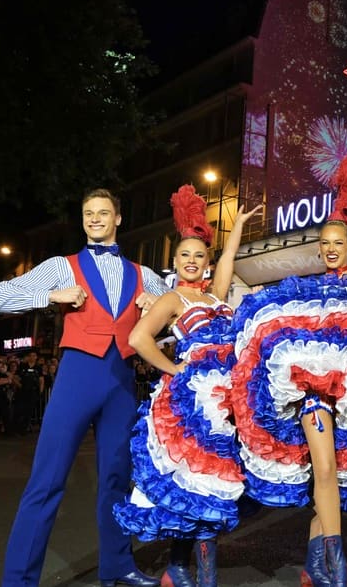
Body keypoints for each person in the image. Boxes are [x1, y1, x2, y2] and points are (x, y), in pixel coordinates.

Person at [232, 153, 347, 587]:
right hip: (312, 395)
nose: (331, 249)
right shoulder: (304, 292)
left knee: (336, 483)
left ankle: (315, 565)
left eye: (338, 243)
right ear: (319, 246)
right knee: (325, 471)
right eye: (324, 243)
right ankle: (337, 565)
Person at [0, 188, 168, 587]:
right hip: (77, 377)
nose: (95, 219)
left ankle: (117, 567)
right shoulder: (62, 266)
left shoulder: (145, 275)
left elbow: (177, 322)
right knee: (46, 480)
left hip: (122, 380)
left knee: (117, 480)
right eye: (89, 213)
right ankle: (18, 581)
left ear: (118, 218)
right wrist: (50, 295)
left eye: (103, 213)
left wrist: (158, 311)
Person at [115, 185, 261, 587]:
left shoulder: (215, 296)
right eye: (185, 255)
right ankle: (196, 576)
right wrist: (175, 369)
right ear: (175, 261)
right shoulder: (172, 298)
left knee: (203, 485)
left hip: (225, 399)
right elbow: (138, 339)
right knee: (199, 482)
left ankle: (179, 570)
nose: (193, 261)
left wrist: (237, 230)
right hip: (193, 403)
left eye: (199, 255)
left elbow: (229, 260)